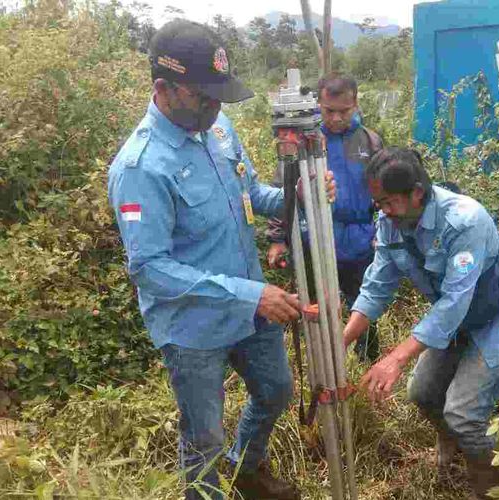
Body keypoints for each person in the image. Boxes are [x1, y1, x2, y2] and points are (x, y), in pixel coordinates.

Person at [107, 20, 334, 500]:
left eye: (219, 96)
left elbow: (250, 193)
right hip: (193, 330)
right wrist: (251, 294)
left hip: (252, 307)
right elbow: (149, 268)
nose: (214, 106)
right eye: (203, 96)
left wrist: (296, 193)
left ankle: (246, 469)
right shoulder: (141, 168)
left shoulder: (218, 128)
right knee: (203, 437)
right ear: (163, 89)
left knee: (275, 392)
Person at [341, 148, 499, 499]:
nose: (382, 211)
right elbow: (378, 286)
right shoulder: (392, 222)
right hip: (461, 313)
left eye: (387, 202)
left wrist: (396, 357)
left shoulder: (465, 221)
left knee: (464, 412)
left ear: (417, 193)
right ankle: (458, 444)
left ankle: (491, 487)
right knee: (422, 394)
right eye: (378, 203)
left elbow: (454, 301)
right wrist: (341, 341)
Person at [266, 74, 381, 362]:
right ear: (319, 104)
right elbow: (284, 189)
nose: (337, 118)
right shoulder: (305, 140)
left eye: (344, 110)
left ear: (355, 104)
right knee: (317, 309)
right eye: (330, 111)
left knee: (364, 307)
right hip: (315, 240)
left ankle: (366, 364)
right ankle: (323, 364)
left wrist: (384, 230)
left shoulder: (369, 140)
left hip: (360, 242)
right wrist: (278, 238)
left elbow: (384, 188)